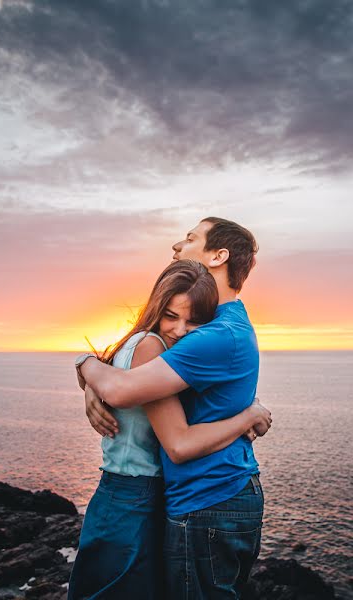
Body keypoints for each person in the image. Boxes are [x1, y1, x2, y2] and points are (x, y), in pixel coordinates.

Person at [76, 217, 264, 599]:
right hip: (210, 494)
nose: (177, 246)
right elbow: (123, 384)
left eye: (190, 239)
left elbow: (123, 391)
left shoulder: (214, 335)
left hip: (208, 499)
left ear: (218, 256)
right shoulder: (219, 325)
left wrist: (85, 365)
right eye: (173, 317)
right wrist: (90, 373)